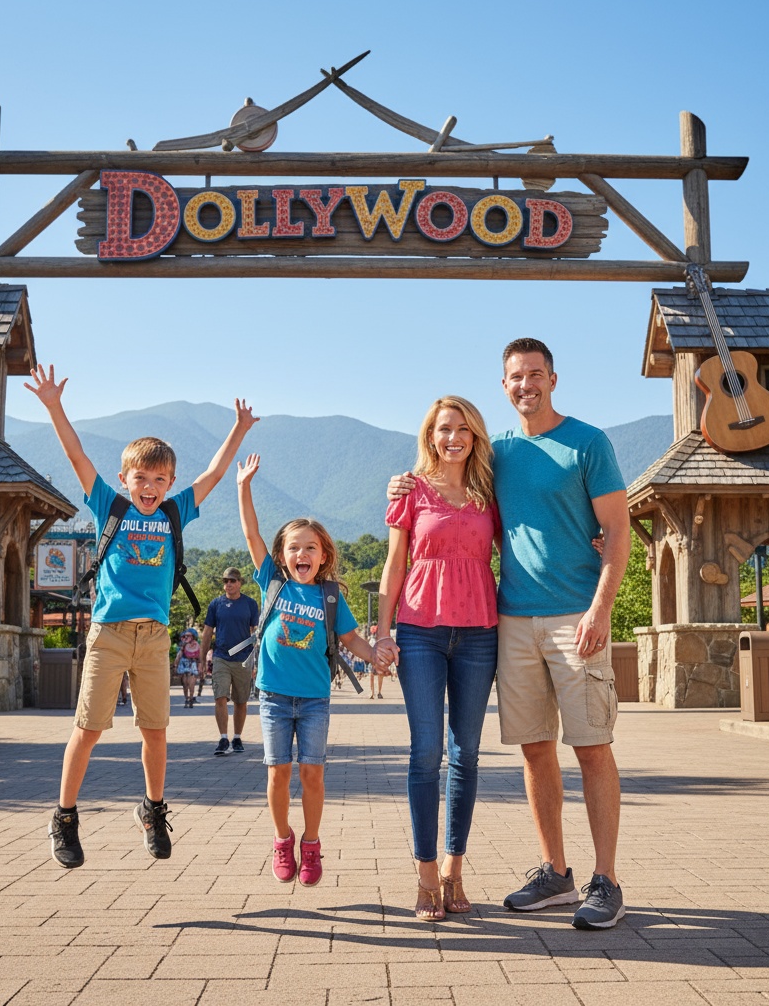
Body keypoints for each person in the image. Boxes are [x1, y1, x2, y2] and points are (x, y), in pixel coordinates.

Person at [389, 338, 630, 930]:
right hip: (510, 619)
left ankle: (607, 881)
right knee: (535, 748)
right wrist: (403, 484)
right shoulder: (495, 456)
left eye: (535, 374)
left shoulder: (588, 442)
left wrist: (601, 607)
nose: (526, 384)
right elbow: (449, 501)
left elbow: (617, 530)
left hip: (577, 616)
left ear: (553, 378)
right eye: (516, 377)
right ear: (504, 387)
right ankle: (555, 872)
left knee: (592, 746)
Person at [25, 362, 257, 869]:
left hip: (154, 637)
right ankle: (63, 816)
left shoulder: (176, 511)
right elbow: (75, 453)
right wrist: (53, 405)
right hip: (108, 634)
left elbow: (214, 474)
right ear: (124, 479)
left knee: (155, 731)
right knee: (87, 729)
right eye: (141, 478)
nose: (149, 487)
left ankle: (152, 810)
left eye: (159, 479)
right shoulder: (109, 504)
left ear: (170, 481)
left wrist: (238, 429)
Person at [376, 396, 499, 921]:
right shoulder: (410, 490)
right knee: (426, 751)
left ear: (475, 436)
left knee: (466, 754)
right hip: (421, 631)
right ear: (431, 435)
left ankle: (454, 869)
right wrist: (382, 633)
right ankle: (426, 876)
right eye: (444, 428)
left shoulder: (492, 491)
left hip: (479, 635)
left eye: (463, 429)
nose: (454, 437)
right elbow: (394, 563)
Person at [236, 452, 377, 887]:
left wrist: (378, 655)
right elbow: (251, 532)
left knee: (312, 773)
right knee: (277, 772)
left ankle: (311, 844)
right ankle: (282, 839)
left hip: (315, 698)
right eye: (294, 547)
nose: (302, 553)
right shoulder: (271, 582)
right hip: (275, 696)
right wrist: (243, 486)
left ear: (323, 556)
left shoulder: (330, 597)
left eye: (310, 548)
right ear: (282, 554)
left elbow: (351, 639)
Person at [201, 567, 259, 755]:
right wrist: (202, 659)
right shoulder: (216, 604)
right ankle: (223, 738)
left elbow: (256, 633)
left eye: (232, 581)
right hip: (221, 657)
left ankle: (237, 737)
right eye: (226, 581)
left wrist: (256, 662)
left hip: (243, 659)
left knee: (241, 701)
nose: (229, 584)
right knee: (220, 697)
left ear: (240, 583)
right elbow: (208, 632)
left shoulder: (250, 604)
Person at [174, 628, 201, 707]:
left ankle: (191, 698)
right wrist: (175, 665)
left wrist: (200, 667)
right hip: (184, 665)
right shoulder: (183, 646)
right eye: (185, 636)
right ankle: (187, 699)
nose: (186, 637)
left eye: (188, 636)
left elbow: (199, 658)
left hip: (192, 665)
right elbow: (178, 656)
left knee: (191, 684)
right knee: (185, 684)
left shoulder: (197, 646)